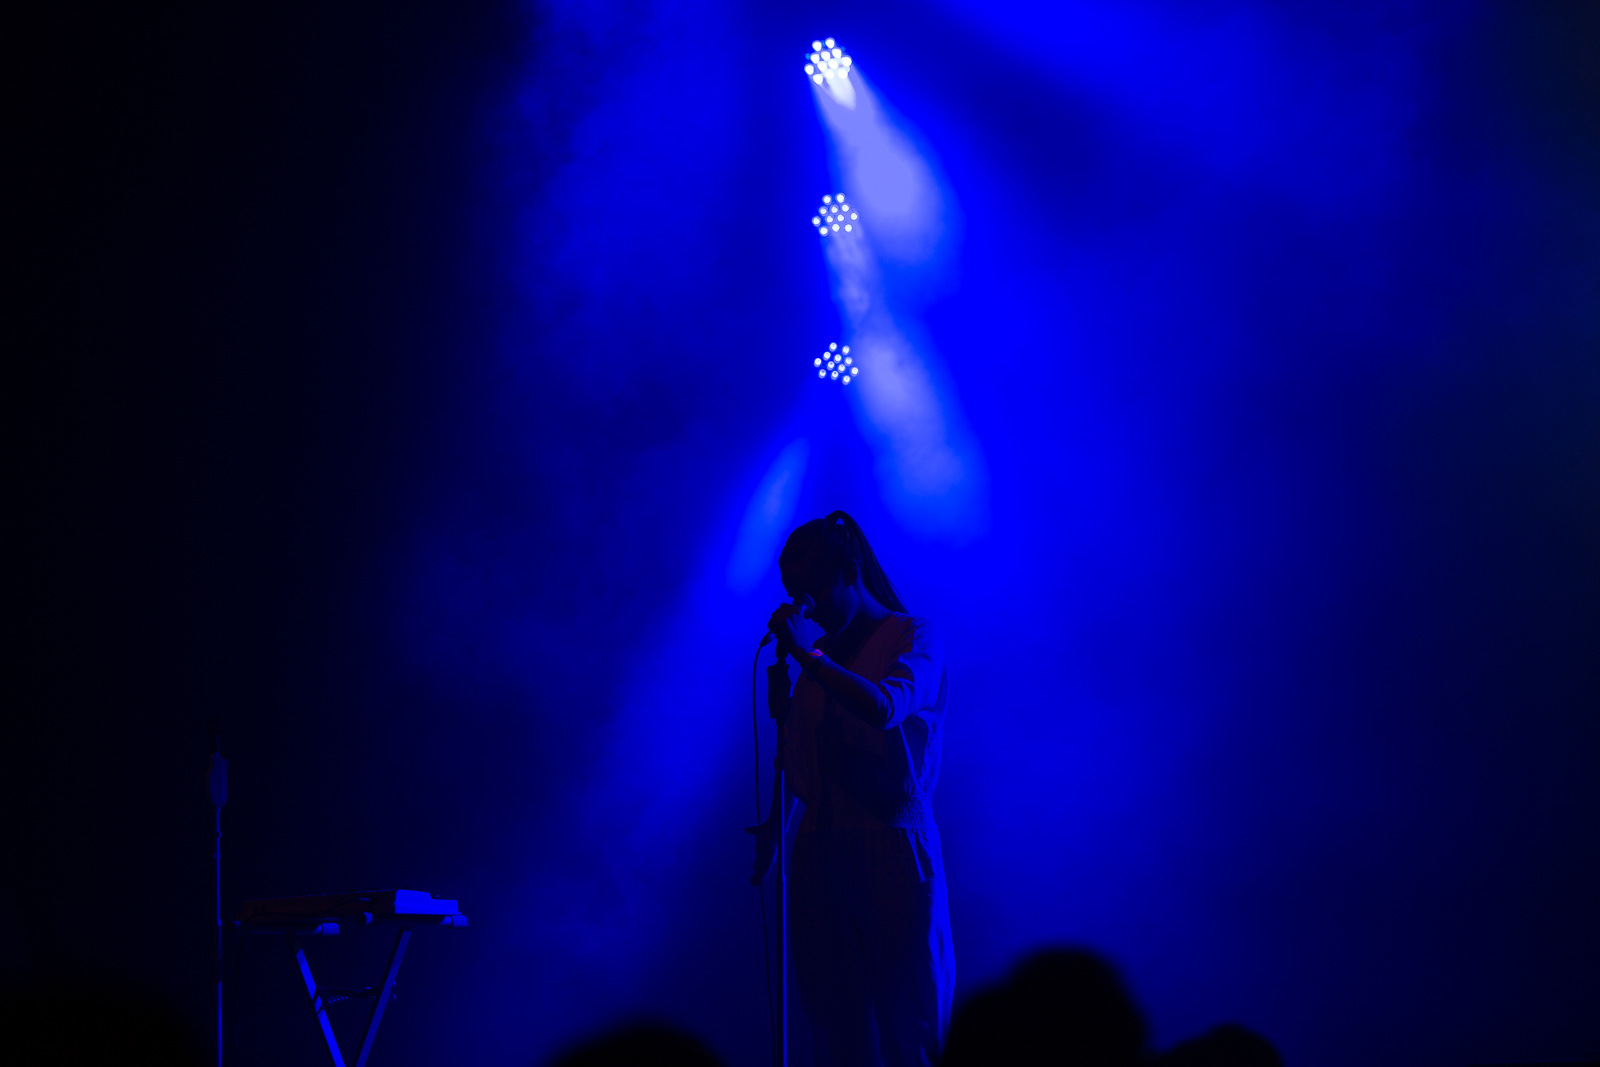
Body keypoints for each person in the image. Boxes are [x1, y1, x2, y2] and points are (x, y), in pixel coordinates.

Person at [750, 511, 954, 1067]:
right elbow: (800, 752)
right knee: (837, 1032)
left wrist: (808, 656)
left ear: (850, 572)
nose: (804, 608)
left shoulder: (914, 636)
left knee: (910, 1026)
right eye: (793, 594)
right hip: (819, 849)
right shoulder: (821, 660)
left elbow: (885, 707)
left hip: (891, 841)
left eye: (811, 590)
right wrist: (775, 826)